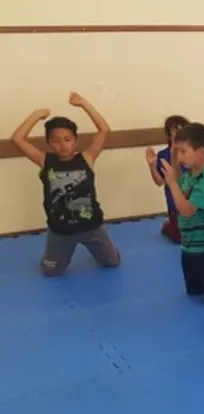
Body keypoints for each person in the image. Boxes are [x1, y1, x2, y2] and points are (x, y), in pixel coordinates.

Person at [9, 92, 120, 276]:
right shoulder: (45, 161)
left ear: (76, 141)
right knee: (50, 272)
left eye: (68, 140)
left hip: (92, 226)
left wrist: (83, 103)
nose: (63, 145)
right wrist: (36, 115)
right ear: (49, 143)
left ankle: (108, 251)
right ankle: (50, 257)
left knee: (112, 263)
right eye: (56, 141)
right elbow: (17, 139)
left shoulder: (87, 158)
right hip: (60, 231)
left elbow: (104, 130)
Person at [160, 123, 204, 303]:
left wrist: (171, 183)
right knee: (194, 291)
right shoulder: (190, 175)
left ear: (201, 153)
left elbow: (187, 211)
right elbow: (180, 185)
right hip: (190, 245)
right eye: (177, 151)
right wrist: (174, 161)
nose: (179, 156)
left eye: (183, 151)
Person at [144, 115, 191, 244]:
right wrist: (152, 165)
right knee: (182, 239)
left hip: (193, 204)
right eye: (175, 131)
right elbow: (160, 182)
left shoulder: (191, 153)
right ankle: (169, 225)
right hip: (175, 206)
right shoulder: (163, 155)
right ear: (169, 135)